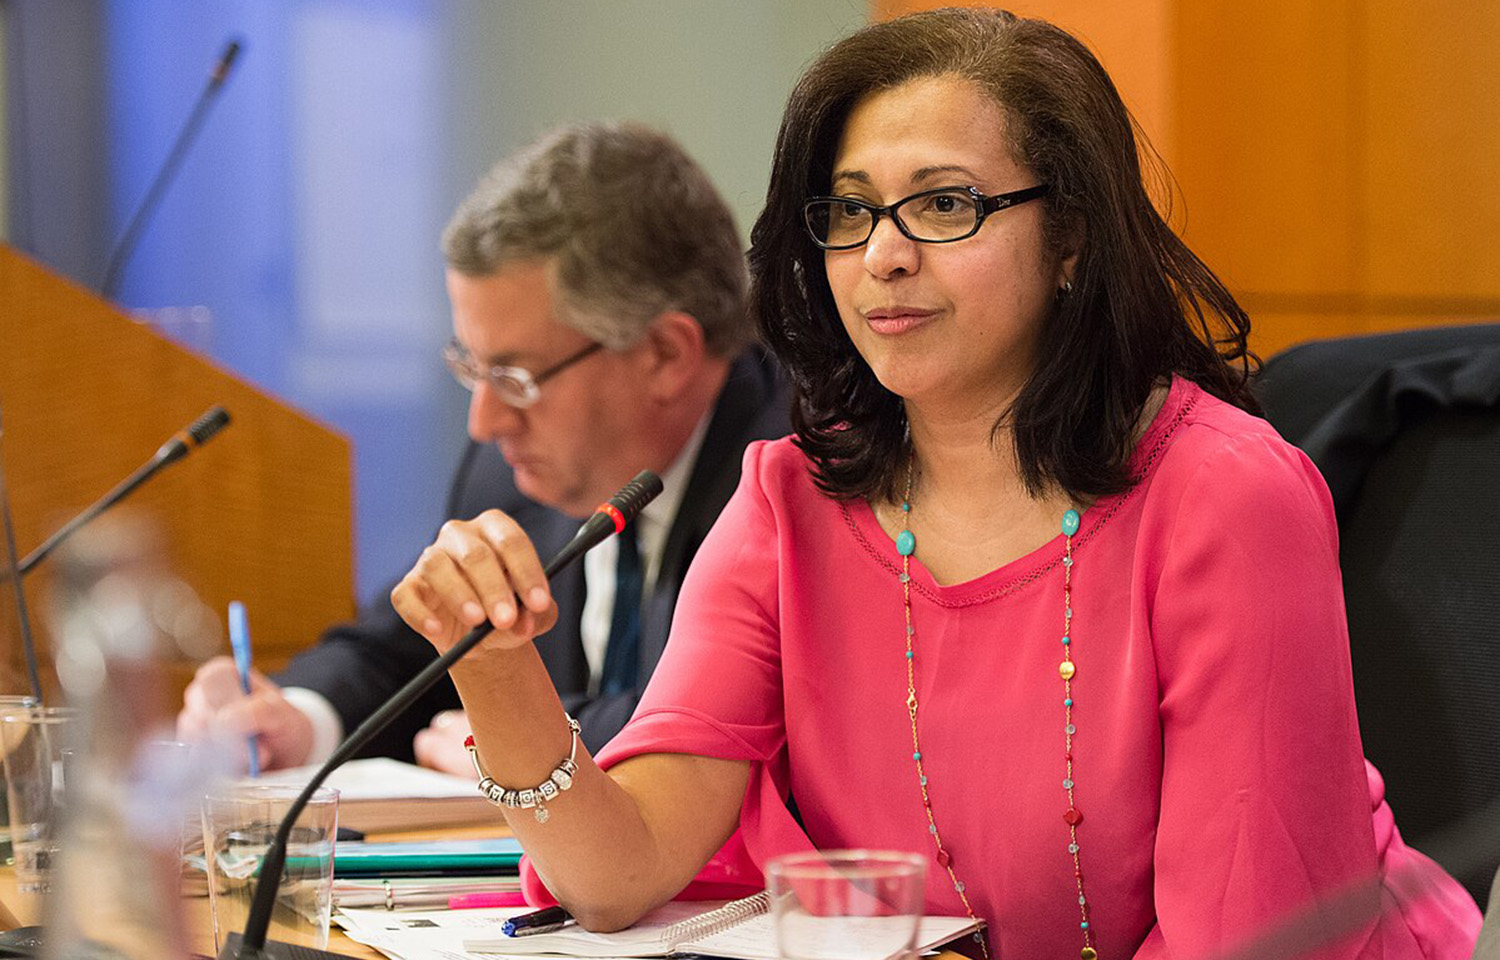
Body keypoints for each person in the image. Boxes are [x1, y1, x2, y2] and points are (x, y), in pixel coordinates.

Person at [388, 10, 1481, 959]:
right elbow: (619, 870)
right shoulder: (788, 501)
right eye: (852, 211)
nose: (884, 256)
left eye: (944, 205)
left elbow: (1250, 937)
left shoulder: (1226, 498)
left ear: (1070, 239)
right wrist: (497, 671)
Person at [176, 122, 788, 773]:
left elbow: (746, 713)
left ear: (666, 354)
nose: (485, 422)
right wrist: (296, 719)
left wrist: (527, 741)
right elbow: (409, 652)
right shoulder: (512, 471)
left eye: (515, 379)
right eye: (473, 368)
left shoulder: (803, 476)